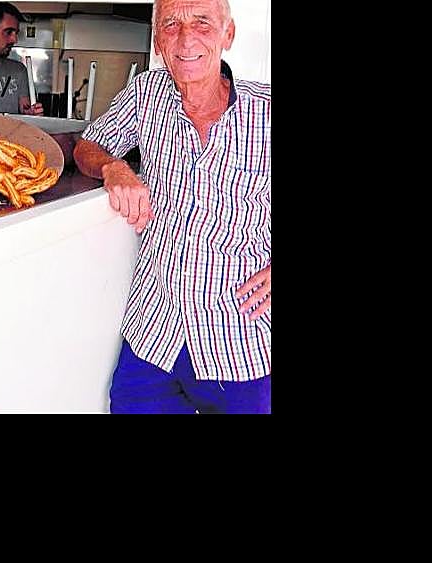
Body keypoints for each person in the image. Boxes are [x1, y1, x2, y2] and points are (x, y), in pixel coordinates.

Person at [73, 0, 270, 414]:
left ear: (227, 35)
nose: (185, 39)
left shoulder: (266, 111)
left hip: (241, 340)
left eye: (201, 23)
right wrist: (114, 167)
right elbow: (88, 145)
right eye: (170, 25)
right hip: (154, 333)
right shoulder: (147, 94)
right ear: (158, 42)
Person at [0, 2, 43, 116]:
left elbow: (27, 109)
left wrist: (31, 115)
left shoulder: (18, 71)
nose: (14, 39)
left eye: (16, 33)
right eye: (8, 32)